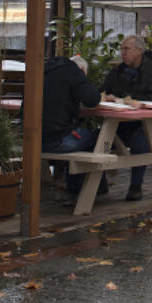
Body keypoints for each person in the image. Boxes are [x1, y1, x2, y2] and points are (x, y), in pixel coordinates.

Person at [100, 34, 152, 201]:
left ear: (139, 51)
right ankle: (97, 183)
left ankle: (136, 185)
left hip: (146, 126)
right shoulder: (116, 72)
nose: (122, 53)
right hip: (119, 125)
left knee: (140, 140)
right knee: (97, 138)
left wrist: (121, 100)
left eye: (126, 49)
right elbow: (101, 91)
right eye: (121, 49)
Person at [41, 54, 101, 207]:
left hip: (33, 139)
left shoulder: (45, 70)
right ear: (81, 69)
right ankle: (78, 190)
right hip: (56, 140)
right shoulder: (74, 71)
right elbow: (92, 99)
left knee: (79, 135)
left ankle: (79, 189)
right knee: (95, 139)